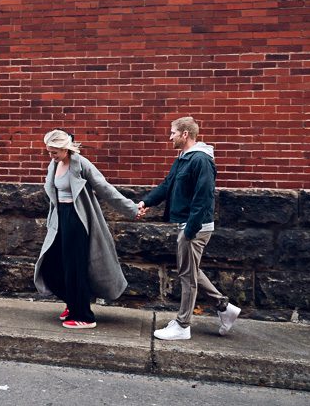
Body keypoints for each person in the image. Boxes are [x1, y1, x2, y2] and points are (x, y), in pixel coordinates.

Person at [136, 116, 240, 340]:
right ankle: (225, 307)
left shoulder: (201, 160)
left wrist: (191, 230)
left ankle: (183, 325)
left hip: (196, 226)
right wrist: (146, 202)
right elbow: (167, 185)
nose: (169, 136)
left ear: (185, 134)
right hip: (188, 224)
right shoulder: (183, 158)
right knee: (190, 271)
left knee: (187, 276)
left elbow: (203, 198)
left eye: (173, 132)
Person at [34, 129, 140, 329]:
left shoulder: (80, 164)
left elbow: (105, 188)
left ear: (65, 149)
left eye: (54, 152)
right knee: (51, 265)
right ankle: (73, 303)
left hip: (77, 219)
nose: (51, 156)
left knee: (75, 267)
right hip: (60, 219)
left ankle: (84, 316)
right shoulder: (54, 163)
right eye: (49, 152)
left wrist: (132, 209)